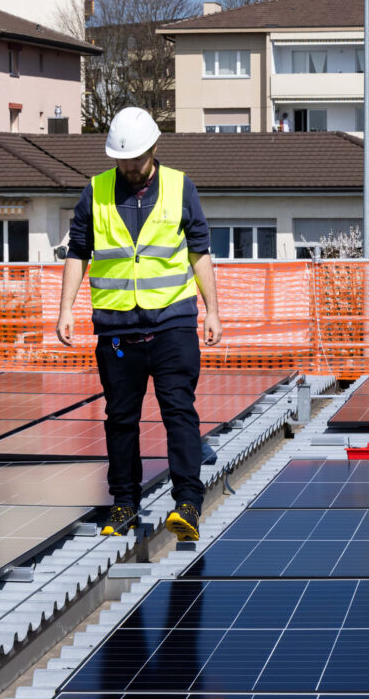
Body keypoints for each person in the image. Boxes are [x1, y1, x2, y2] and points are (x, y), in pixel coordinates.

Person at [55, 106, 222, 542]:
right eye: (120, 160)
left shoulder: (180, 188)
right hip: (116, 330)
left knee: (179, 413)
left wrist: (213, 311)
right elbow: (78, 252)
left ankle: (187, 502)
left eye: (135, 159)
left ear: (153, 148)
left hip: (173, 323)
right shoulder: (95, 192)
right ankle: (124, 504)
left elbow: (199, 252)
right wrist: (65, 309)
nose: (127, 167)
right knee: (120, 419)